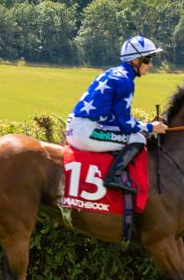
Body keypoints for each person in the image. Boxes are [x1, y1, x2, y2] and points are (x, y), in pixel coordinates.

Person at [66, 35, 167, 194]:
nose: (150, 65)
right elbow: (125, 123)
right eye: (147, 60)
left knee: (134, 134)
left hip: (77, 127)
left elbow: (115, 119)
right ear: (135, 61)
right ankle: (113, 177)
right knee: (137, 139)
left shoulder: (114, 73)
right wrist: (150, 127)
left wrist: (144, 125)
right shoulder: (126, 81)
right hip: (85, 132)